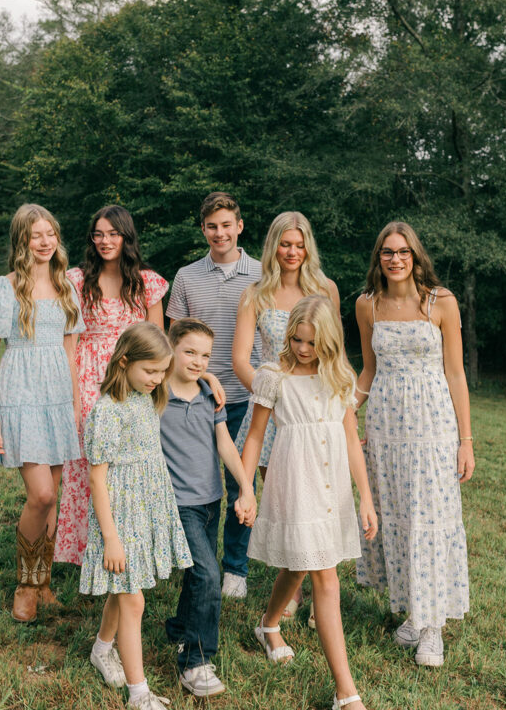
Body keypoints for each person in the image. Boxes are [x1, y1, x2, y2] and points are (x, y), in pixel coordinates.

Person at [241, 296, 385, 710]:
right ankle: (347, 695)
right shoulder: (273, 377)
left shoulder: (339, 377)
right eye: (296, 340)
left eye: (311, 342)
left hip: (333, 484)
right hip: (296, 480)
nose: (302, 349)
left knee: (301, 564)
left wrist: (365, 497)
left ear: (327, 341)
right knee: (325, 577)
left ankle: (268, 623)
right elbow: (256, 436)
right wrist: (246, 488)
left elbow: (349, 438)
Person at [354, 221, 474, 668]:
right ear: (378, 258)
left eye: (403, 251)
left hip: (433, 427)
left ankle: (432, 628)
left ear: (415, 255)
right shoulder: (367, 306)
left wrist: (466, 440)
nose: (395, 259)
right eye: (387, 252)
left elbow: (456, 374)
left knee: (431, 517)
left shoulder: (440, 302)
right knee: (399, 516)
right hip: (386, 427)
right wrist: (347, 412)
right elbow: (368, 370)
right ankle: (413, 613)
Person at [0, 203, 85, 622]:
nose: (44, 242)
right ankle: (25, 583)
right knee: (41, 495)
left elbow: (70, 355)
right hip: (19, 394)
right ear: (22, 239)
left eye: (50, 234)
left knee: (53, 500)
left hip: (58, 398)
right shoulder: (4, 288)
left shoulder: (67, 287)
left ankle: (44, 583)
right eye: (35, 235)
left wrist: (74, 406)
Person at [79, 323, 192, 710]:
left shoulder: (146, 397)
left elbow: (182, 377)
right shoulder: (106, 411)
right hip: (120, 514)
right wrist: (110, 536)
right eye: (151, 371)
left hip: (145, 508)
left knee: (124, 589)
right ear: (124, 362)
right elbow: (97, 478)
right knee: (133, 600)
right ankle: (139, 694)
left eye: (163, 372)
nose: (158, 379)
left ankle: (102, 649)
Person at [232, 210, 340, 620]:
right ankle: (291, 588)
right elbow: (241, 359)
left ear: (307, 247)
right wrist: (270, 393)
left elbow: (336, 353)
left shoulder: (326, 289)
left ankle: (324, 590)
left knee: (323, 502)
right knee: (291, 505)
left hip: (316, 413)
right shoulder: (255, 293)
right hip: (275, 415)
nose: (292, 252)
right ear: (272, 246)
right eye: (284, 243)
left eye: (299, 244)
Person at [55, 205, 169, 568]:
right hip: (89, 381)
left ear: (126, 237)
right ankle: (85, 551)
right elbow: (69, 345)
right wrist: (73, 400)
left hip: (133, 382)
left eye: (113, 234)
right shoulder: (76, 280)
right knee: (88, 467)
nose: (105, 241)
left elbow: (158, 342)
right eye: (99, 234)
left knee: (129, 468)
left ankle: (128, 546)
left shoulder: (147, 283)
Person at [166, 191, 262, 600]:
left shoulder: (262, 274)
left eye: (226, 225)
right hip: (196, 395)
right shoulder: (187, 276)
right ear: (202, 229)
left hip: (247, 395)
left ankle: (235, 568)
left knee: (241, 480)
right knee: (198, 484)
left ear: (239, 226)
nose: (219, 233)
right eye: (211, 226)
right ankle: (189, 556)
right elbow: (173, 336)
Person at [160, 319, 257, 698]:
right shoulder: (155, 393)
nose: (198, 361)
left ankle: (179, 628)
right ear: (171, 349)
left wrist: (246, 488)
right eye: (189, 352)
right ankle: (196, 661)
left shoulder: (208, 395)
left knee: (197, 573)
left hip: (209, 500)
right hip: (177, 503)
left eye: (205, 355)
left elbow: (226, 445)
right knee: (208, 575)